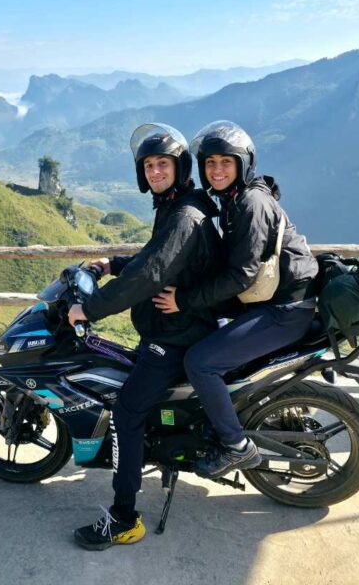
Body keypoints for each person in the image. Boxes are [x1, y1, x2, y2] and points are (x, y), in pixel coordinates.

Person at [67, 123, 220, 551]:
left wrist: (90, 308)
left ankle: (124, 519)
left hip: (176, 335)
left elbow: (151, 274)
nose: (155, 171)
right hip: (175, 328)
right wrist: (112, 262)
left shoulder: (184, 215)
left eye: (162, 164)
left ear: (179, 167)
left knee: (126, 413)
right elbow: (155, 258)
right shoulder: (177, 206)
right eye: (149, 165)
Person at [152, 120, 318, 478]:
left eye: (226, 162)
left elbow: (241, 274)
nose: (217, 170)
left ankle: (235, 446)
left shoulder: (250, 203)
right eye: (210, 163)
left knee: (200, 362)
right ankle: (215, 421)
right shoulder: (235, 200)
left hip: (284, 310)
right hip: (270, 303)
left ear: (243, 164)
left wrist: (185, 299)